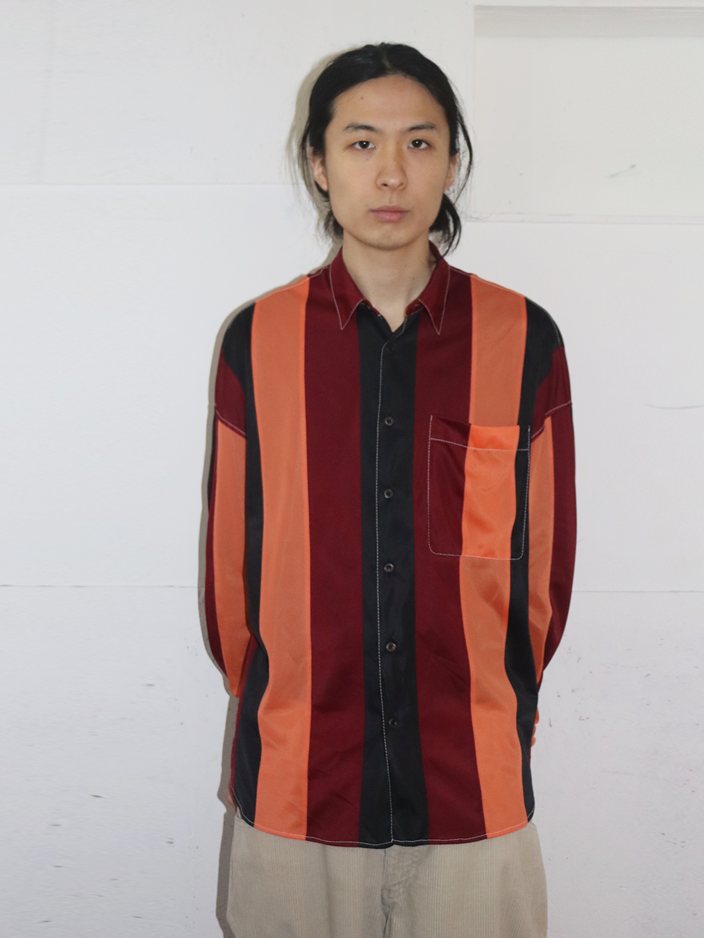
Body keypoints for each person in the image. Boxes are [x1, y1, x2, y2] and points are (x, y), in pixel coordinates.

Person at [203, 41, 576, 938]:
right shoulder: (257, 340)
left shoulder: (523, 338)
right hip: (298, 793)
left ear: (453, 161)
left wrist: (499, 710)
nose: (392, 173)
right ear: (317, 163)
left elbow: (543, 576)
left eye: (420, 142)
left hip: (473, 793)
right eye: (362, 142)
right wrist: (286, 710)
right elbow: (231, 579)